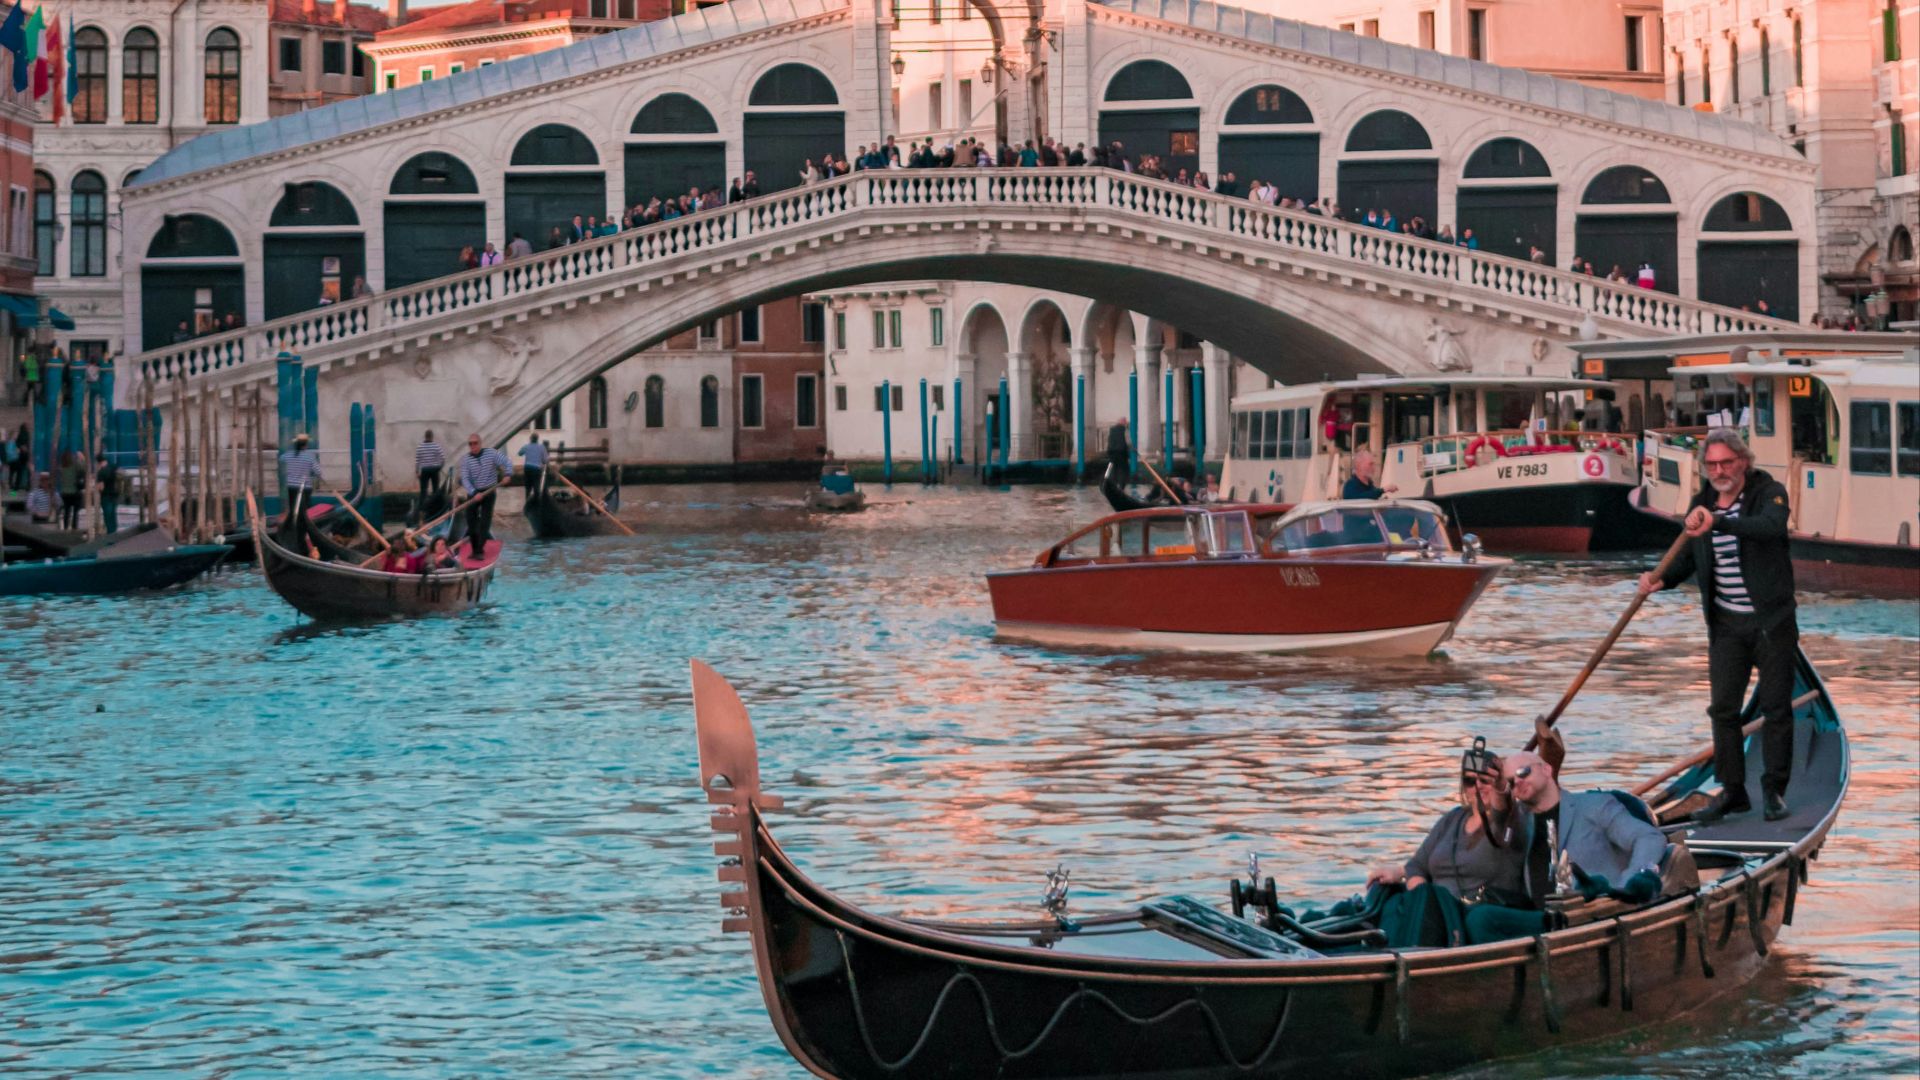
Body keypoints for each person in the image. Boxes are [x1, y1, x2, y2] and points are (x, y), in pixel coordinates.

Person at [1637, 428, 1797, 822]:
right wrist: (1661, 578)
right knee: (1723, 710)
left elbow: (1770, 528)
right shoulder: (1701, 504)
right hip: (1727, 626)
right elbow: (1690, 555)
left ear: (1743, 461)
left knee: (1776, 708)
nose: (1720, 470)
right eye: (1712, 464)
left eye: (1727, 462)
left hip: (1771, 624)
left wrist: (1719, 523)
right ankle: (1733, 791)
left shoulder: (1769, 493)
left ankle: (1774, 790)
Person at [1365, 738, 1536, 945]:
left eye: (1485, 780)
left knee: (1429, 901)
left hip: (1478, 910)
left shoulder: (1511, 820)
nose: (1478, 787)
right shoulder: (1453, 819)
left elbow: (1502, 811)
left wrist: (1501, 789)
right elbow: (1416, 866)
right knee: (1384, 894)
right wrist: (1421, 896)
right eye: (1470, 781)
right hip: (1435, 912)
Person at [1504, 749, 1668, 906]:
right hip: (1542, 920)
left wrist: (1628, 883)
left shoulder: (1595, 806)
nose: (1517, 782)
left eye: (1523, 772)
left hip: (1597, 913)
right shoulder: (1515, 824)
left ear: (1547, 769)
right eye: (1510, 782)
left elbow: (1649, 838)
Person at [456, 433, 513, 551]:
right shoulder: (466, 460)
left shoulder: (491, 453)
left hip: (489, 491)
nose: (473, 446)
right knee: (470, 520)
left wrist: (508, 474)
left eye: (475, 443)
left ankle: (480, 548)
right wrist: (473, 492)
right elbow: (465, 479)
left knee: (485, 522)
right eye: (470, 444)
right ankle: (475, 548)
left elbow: (507, 462)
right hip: (474, 492)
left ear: (480, 443)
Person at [279, 432, 323, 554]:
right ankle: (300, 536)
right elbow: (318, 472)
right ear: (306, 445)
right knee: (303, 513)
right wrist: (311, 472)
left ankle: (295, 532)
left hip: (292, 487)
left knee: (294, 510)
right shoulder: (309, 456)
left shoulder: (289, 455)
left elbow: (281, 458)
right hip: (304, 488)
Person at [415, 430, 447, 508]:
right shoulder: (436, 446)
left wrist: (417, 472)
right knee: (435, 489)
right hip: (435, 470)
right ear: (432, 437)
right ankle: (435, 507)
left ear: (425, 436)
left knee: (423, 490)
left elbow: (417, 461)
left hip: (425, 470)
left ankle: (422, 508)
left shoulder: (420, 447)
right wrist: (440, 467)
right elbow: (443, 459)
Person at [57, 451, 84, 529]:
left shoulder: (62, 467)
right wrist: (81, 459)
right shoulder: (75, 465)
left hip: (64, 492)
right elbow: (83, 468)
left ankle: (65, 527)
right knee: (75, 512)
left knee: (66, 511)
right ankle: (74, 527)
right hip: (74, 491)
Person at [95, 452, 120, 533]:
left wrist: (96, 486)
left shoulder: (101, 473)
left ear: (99, 462)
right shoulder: (113, 467)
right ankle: (115, 532)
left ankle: (110, 536)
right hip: (115, 495)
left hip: (106, 496)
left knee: (107, 517)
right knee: (113, 515)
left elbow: (101, 487)